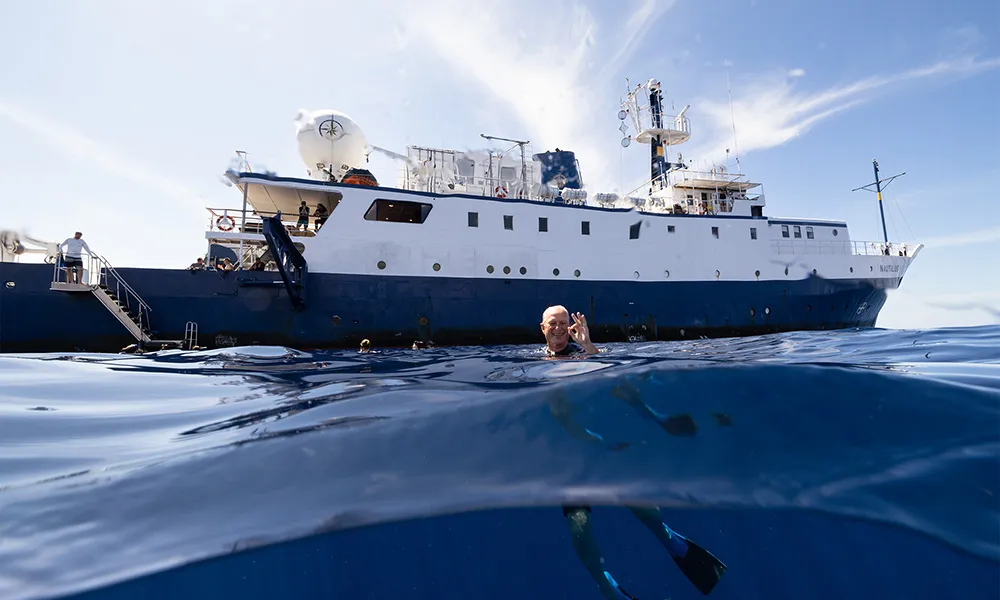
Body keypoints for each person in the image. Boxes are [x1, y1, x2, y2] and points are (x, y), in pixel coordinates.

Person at [539, 304, 727, 599]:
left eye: (565, 323)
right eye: (554, 323)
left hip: (601, 448)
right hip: (570, 459)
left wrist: (589, 348)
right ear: (543, 328)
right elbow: (561, 420)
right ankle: (606, 585)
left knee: (636, 501)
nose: (560, 328)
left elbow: (619, 386)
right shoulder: (535, 364)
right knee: (580, 525)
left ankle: (669, 539)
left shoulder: (584, 357)